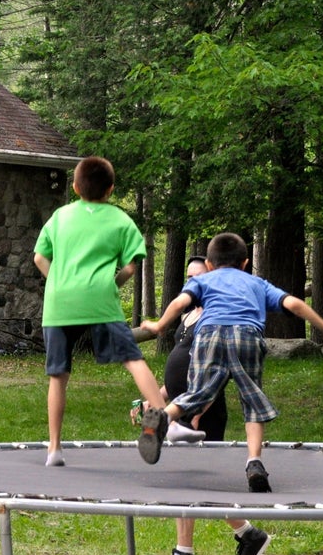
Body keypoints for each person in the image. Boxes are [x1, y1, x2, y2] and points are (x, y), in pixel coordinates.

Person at [140, 232, 323, 491]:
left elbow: (180, 302)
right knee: (252, 398)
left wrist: (159, 325)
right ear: (245, 263)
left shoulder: (204, 281)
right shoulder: (257, 283)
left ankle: (164, 417)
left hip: (209, 335)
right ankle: (254, 462)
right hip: (247, 336)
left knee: (198, 393)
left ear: (208, 264)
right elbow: (293, 303)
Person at [34, 156, 204, 467]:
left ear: (74, 187)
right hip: (100, 298)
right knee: (133, 360)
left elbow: (39, 259)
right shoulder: (119, 219)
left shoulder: (59, 217)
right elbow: (131, 264)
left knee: (58, 375)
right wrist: (113, 283)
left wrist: (58, 282)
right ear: (111, 190)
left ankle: (54, 449)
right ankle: (171, 422)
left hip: (59, 301)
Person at [145, 255, 272, 555]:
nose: (192, 283)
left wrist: (194, 417)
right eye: (188, 277)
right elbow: (178, 373)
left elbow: (214, 376)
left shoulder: (217, 316)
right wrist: (156, 402)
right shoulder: (188, 316)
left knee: (186, 482)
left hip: (201, 414)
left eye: (198, 276)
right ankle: (248, 534)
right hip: (181, 408)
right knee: (195, 485)